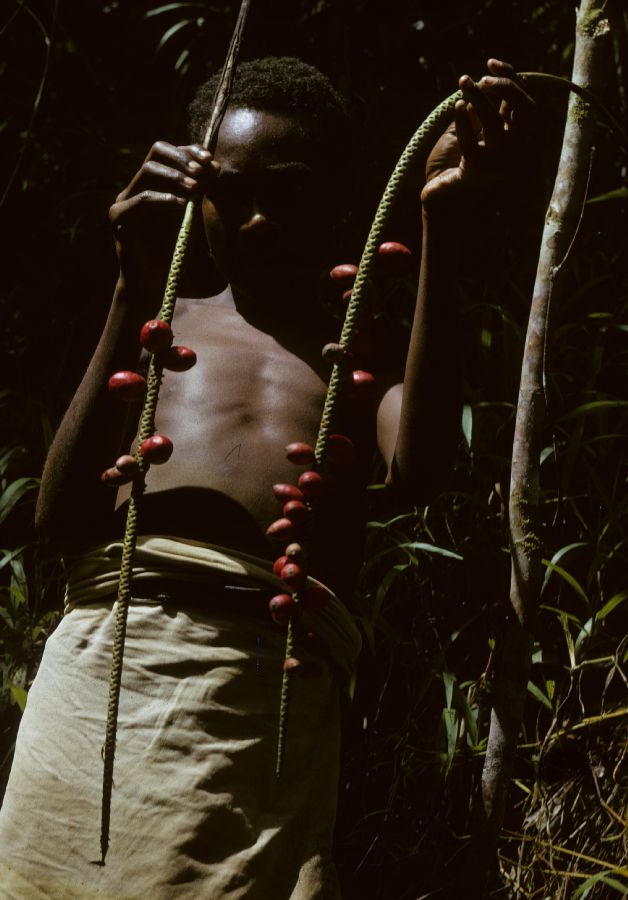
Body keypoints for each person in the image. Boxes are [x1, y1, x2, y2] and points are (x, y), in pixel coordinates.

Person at [0, 56, 535, 898]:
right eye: (230, 191)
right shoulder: (158, 327)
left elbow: (420, 466)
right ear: (193, 192)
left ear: (334, 199)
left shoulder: (353, 370)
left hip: (262, 710)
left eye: (285, 191)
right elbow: (58, 518)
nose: (253, 219)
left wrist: (443, 224)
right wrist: (127, 286)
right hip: (110, 676)